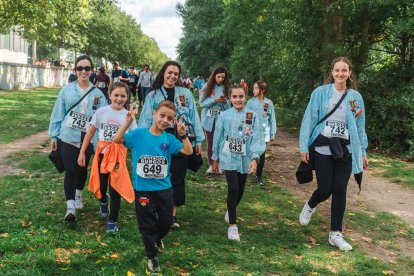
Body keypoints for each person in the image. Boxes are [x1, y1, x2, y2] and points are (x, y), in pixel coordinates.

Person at [113, 100, 193, 275]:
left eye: (169, 118)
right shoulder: (139, 134)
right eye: (162, 115)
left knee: (165, 222)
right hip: (143, 188)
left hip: (164, 188)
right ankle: (152, 257)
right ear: (154, 114)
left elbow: (188, 152)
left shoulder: (169, 139)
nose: (165, 120)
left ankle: (156, 239)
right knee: (147, 223)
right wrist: (127, 122)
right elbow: (117, 139)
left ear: (172, 122)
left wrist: (183, 135)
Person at [298, 57, 368, 251]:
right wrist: (304, 146)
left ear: (349, 72)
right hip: (322, 148)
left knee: (340, 190)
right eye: (337, 70)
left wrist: (362, 151)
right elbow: (309, 119)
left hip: (345, 149)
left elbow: (360, 126)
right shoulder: (320, 93)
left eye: (344, 70)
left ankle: (335, 234)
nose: (340, 74)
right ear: (332, 72)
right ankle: (311, 203)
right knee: (325, 189)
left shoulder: (355, 97)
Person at [138, 60, 204, 229]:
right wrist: (144, 140)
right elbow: (145, 118)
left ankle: (172, 215)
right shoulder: (152, 95)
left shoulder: (186, 94)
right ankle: (155, 208)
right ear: (163, 73)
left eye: (176, 73)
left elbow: (194, 117)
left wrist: (197, 140)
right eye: (170, 73)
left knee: (177, 177)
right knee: (158, 174)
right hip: (159, 141)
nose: (173, 76)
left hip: (181, 139)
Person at [48, 55, 107, 221]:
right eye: (80, 68)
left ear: (92, 71)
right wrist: (54, 135)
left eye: (87, 68)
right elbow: (58, 113)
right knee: (71, 171)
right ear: (75, 70)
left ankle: (79, 194)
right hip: (68, 136)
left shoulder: (98, 94)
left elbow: (103, 118)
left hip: (87, 137)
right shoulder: (66, 90)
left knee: (82, 170)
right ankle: (70, 206)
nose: (83, 71)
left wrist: (102, 141)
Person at [77, 82, 137, 233]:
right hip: (103, 155)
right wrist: (82, 151)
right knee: (102, 186)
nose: (119, 98)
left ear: (127, 97)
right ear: (109, 95)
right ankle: (103, 201)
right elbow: (90, 133)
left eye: (123, 96)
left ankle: (112, 220)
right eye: (116, 95)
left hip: (118, 156)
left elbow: (134, 138)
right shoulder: (101, 112)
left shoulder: (128, 116)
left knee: (115, 187)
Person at [212, 84, 265, 241]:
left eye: (240, 96)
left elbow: (257, 138)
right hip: (228, 156)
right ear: (230, 98)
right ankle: (233, 226)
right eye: (234, 97)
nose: (238, 99)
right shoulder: (224, 115)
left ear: (245, 97)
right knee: (233, 188)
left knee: (240, 190)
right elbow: (217, 137)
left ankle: (231, 209)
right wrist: (215, 158)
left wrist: (255, 158)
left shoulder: (252, 115)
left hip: (245, 157)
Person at [199, 67, 231, 174]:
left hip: (222, 120)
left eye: (223, 77)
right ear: (214, 76)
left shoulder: (227, 88)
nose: (221, 79)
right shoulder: (206, 87)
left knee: (221, 142)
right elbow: (202, 103)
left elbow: (229, 107)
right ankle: (211, 165)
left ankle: (219, 164)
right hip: (209, 120)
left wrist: (225, 102)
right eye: (219, 77)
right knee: (211, 143)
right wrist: (214, 100)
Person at [246, 81, 277, 185]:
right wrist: (247, 129)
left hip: (264, 133)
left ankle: (258, 176)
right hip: (252, 132)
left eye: (256, 88)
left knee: (262, 154)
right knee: (250, 151)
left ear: (262, 90)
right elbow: (248, 117)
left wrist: (272, 133)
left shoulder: (269, 103)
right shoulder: (250, 103)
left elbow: (272, 119)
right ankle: (247, 170)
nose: (253, 90)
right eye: (253, 88)